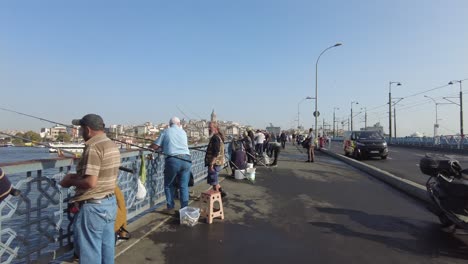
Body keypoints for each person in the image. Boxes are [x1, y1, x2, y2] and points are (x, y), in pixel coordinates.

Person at [60, 114, 121, 263]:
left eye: (81, 129)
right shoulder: (111, 144)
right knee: (107, 248)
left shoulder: (94, 147)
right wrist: (78, 176)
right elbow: (99, 174)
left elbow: (91, 182)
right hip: (110, 202)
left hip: (94, 207)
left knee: (90, 252)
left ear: (87, 129)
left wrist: (70, 181)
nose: (81, 133)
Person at [149, 117, 191, 215]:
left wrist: (149, 147)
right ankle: (184, 210)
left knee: (168, 185)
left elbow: (156, 146)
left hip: (173, 160)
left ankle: (170, 207)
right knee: (183, 186)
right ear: (179, 123)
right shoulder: (183, 132)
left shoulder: (166, 132)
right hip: (187, 159)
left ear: (170, 124)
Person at [205, 122, 227, 197]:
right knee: (214, 180)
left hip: (215, 163)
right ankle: (221, 192)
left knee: (214, 181)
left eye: (210, 128)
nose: (209, 129)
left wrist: (211, 164)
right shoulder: (219, 137)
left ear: (215, 128)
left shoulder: (215, 138)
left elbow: (216, 152)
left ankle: (217, 197)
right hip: (219, 162)